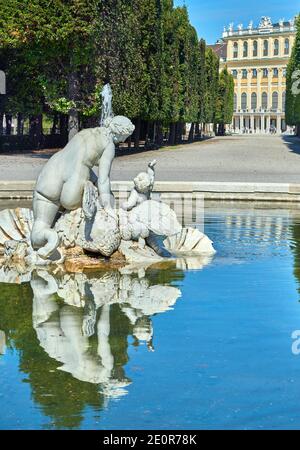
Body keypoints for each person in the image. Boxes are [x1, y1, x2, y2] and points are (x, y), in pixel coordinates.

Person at [31, 116, 135, 258]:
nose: (123, 141)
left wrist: (96, 180)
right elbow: (104, 180)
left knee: (40, 226)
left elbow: (80, 161)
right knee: (95, 192)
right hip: (74, 184)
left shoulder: (85, 132)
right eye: (125, 137)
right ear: (120, 133)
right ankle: (67, 235)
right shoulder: (108, 145)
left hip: (50, 174)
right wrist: (108, 207)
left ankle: (50, 237)